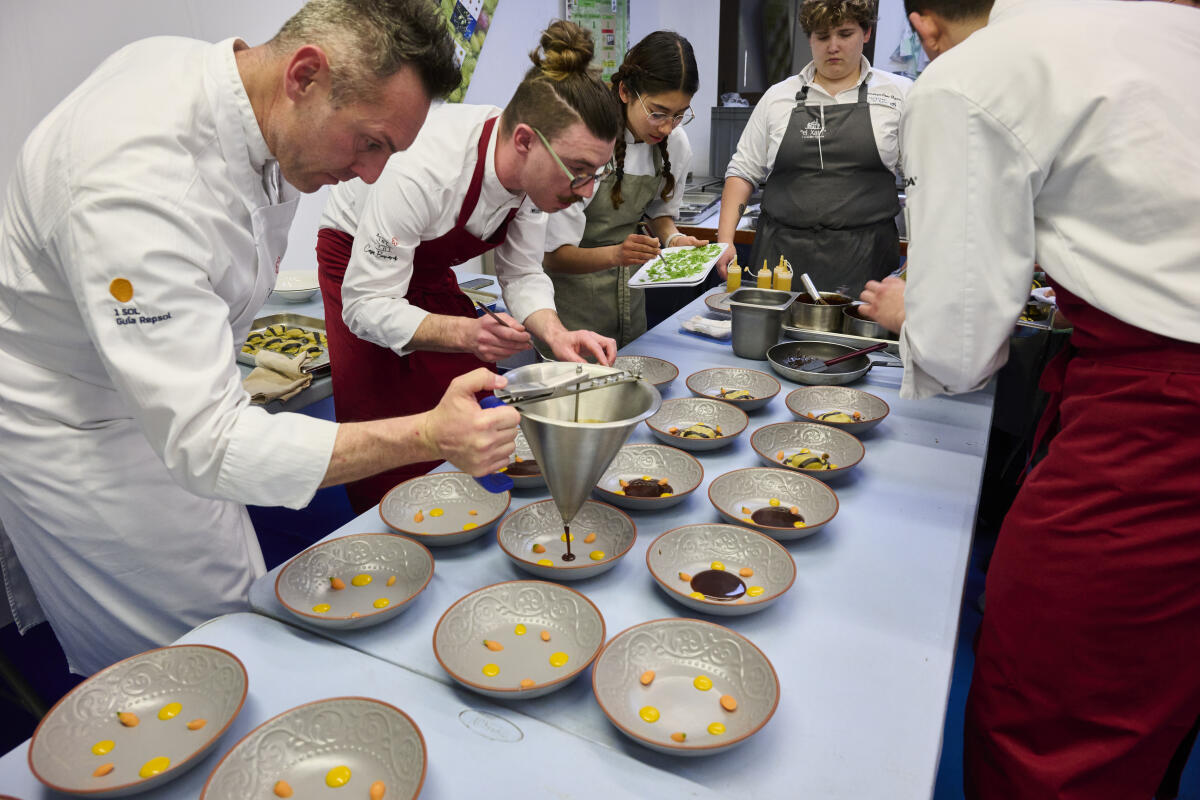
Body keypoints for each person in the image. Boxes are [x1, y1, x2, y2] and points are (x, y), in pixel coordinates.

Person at [0, 0, 523, 677]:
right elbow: (208, 444)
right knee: (196, 650)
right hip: (77, 420)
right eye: (369, 144)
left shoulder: (243, 98)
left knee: (241, 594)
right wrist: (427, 435)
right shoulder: (135, 187)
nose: (370, 175)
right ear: (305, 74)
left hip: (168, 389)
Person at [858, 0, 1200, 797]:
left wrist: (920, 310)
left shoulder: (969, 79)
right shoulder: (1160, 25)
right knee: (1160, 689)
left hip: (1165, 417)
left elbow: (960, 345)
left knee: (1055, 710)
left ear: (924, 26)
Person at [316, 20, 620, 513]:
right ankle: (392, 531)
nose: (585, 191)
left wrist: (555, 334)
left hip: (425, 268)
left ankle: (469, 516)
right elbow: (366, 306)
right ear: (524, 140)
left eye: (595, 174)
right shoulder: (423, 171)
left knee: (469, 398)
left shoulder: (536, 177)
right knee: (391, 428)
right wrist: (465, 333)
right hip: (357, 265)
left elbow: (521, 273)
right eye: (578, 172)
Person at [716, 0, 912, 296]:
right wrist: (725, 240)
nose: (833, 46)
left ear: (867, 32)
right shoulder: (777, 97)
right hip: (780, 261)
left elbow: (921, 183)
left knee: (860, 344)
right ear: (809, 38)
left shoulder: (899, 94)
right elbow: (742, 172)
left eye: (845, 34)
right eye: (822, 36)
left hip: (867, 265)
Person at [541, 31, 706, 347]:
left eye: (680, 114)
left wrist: (673, 238)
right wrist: (617, 254)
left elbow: (659, 214)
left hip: (631, 298)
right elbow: (553, 257)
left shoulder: (673, 143)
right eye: (657, 112)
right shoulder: (586, 141)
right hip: (572, 306)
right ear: (625, 91)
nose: (667, 126)